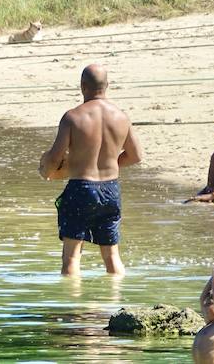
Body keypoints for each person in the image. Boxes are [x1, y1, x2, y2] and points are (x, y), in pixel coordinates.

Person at [38, 63, 143, 275]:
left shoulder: (73, 117)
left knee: (71, 256)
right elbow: (136, 156)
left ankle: (73, 306)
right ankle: (117, 303)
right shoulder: (121, 116)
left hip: (81, 189)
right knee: (112, 256)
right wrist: (111, 163)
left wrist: (46, 170)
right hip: (111, 189)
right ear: (107, 86)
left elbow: (55, 158)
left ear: (82, 86)